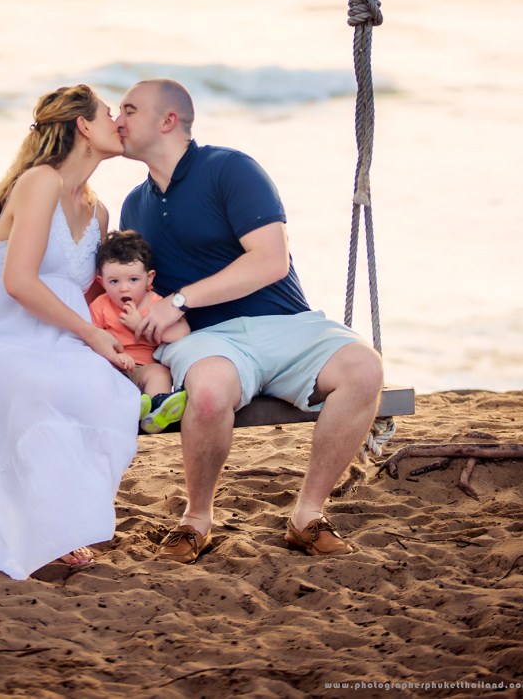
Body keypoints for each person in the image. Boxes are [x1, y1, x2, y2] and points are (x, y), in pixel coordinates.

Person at [117, 78, 384, 564]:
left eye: (129, 110)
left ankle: (307, 516)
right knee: (209, 391)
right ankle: (197, 520)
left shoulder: (229, 168)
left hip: (286, 324)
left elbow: (270, 260)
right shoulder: (134, 204)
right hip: (209, 341)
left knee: (364, 367)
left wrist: (177, 300)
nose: (118, 120)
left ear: (168, 120)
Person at [0, 84, 141, 580]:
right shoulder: (39, 182)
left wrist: (129, 329)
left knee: (105, 392)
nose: (117, 121)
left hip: (63, 335)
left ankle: (60, 523)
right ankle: (39, 531)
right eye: (108, 113)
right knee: (34, 383)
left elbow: (93, 294)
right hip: (4, 334)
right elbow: (18, 282)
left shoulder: (99, 211)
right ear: (83, 126)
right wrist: (91, 334)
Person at [90, 229, 189, 434]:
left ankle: (154, 411)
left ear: (149, 278)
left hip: (145, 368)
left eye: (133, 280)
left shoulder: (157, 305)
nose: (124, 288)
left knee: (159, 373)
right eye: (114, 281)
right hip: (113, 369)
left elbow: (182, 332)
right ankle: (130, 409)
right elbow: (93, 340)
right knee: (97, 377)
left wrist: (141, 325)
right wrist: (115, 356)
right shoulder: (100, 306)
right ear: (102, 282)